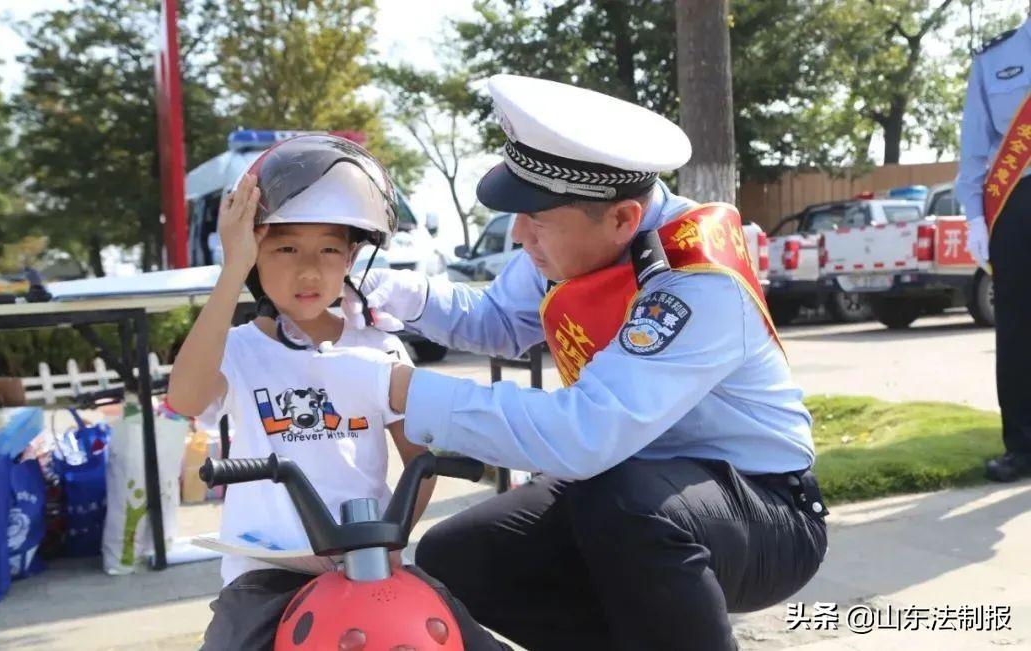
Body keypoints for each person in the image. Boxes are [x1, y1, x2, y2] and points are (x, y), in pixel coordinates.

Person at [336, 75, 828, 650]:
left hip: (762, 510)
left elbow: (583, 434)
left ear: (622, 218)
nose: (520, 235)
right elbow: (499, 319)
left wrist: (399, 390)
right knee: (459, 556)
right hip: (624, 488)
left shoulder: (695, 281)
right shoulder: (577, 237)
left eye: (536, 220)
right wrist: (400, 294)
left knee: (624, 504)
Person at [167, 135, 501, 651]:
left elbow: (419, 459)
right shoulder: (237, 350)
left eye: (329, 248)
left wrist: (394, 540)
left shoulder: (381, 348)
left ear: (351, 257)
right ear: (254, 254)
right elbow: (186, 400)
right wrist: (231, 267)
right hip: (268, 567)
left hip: (366, 558)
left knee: (465, 636)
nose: (309, 269)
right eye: (285, 248)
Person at [956, 15, 1031, 483]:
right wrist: (974, 217)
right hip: (1016, 204)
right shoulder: (995, 58)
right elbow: (975, 147)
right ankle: (1021, 446)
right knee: (1018, 330)